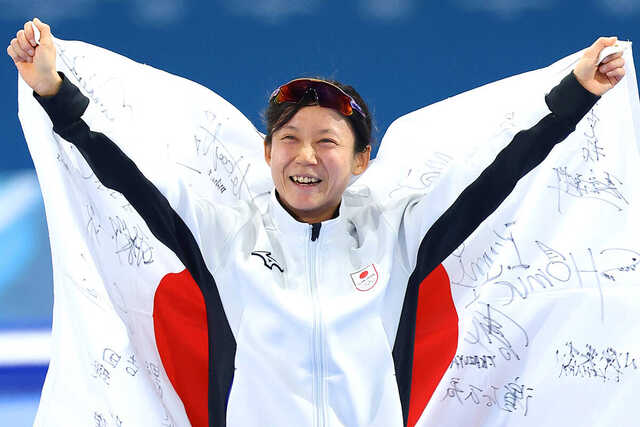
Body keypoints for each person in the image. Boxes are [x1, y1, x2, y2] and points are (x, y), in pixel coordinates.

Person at [7, 18, 626, 427]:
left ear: (360, 161)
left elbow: (497, 168)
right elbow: (127, 170)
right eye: (289, 138)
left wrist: (577, 93)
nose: (305, 155)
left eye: (326, 141)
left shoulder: (399, 236)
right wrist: (54, 91)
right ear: (267, 152)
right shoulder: (222, 236)